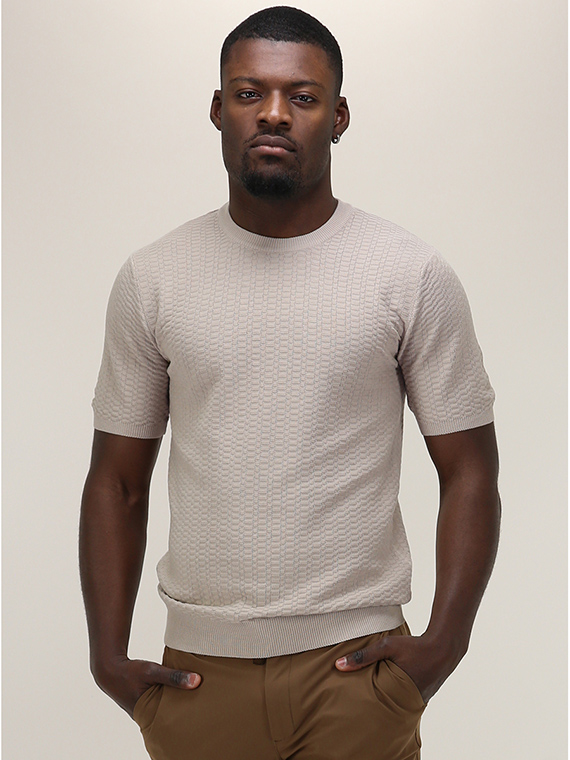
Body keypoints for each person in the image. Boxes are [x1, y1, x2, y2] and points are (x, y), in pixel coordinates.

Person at [79, 6, 501, 760]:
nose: (274, 113)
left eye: (302, 97)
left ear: (338, 118)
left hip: (356, 671)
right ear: (218, 109)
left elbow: (470, 470)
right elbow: (117, 481)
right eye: (250, 93)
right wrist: (107, 658)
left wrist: (444, 645)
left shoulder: (408, 273)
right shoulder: (154, 278)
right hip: (199, 679)